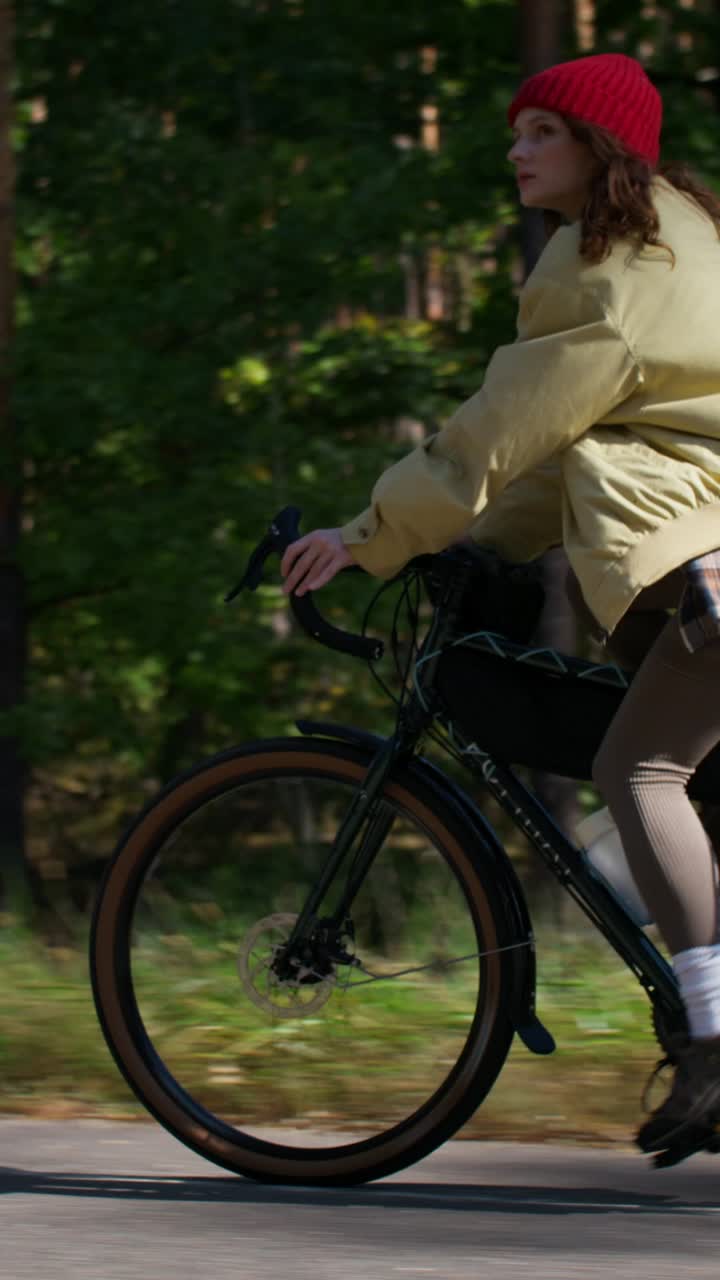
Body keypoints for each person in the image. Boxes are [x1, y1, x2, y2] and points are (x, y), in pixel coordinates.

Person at [280, 52, 720, 1165]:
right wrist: (475, 541)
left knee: (642, 770)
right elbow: (564, 450)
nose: (515, 150)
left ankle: (717, 1039)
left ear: (599, 145)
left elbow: (510, 422)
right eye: (516, 131)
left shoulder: (623, 268)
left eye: (540, 131)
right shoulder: (638, 244)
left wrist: (371, 535)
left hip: (709, 558)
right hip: (697, 550)